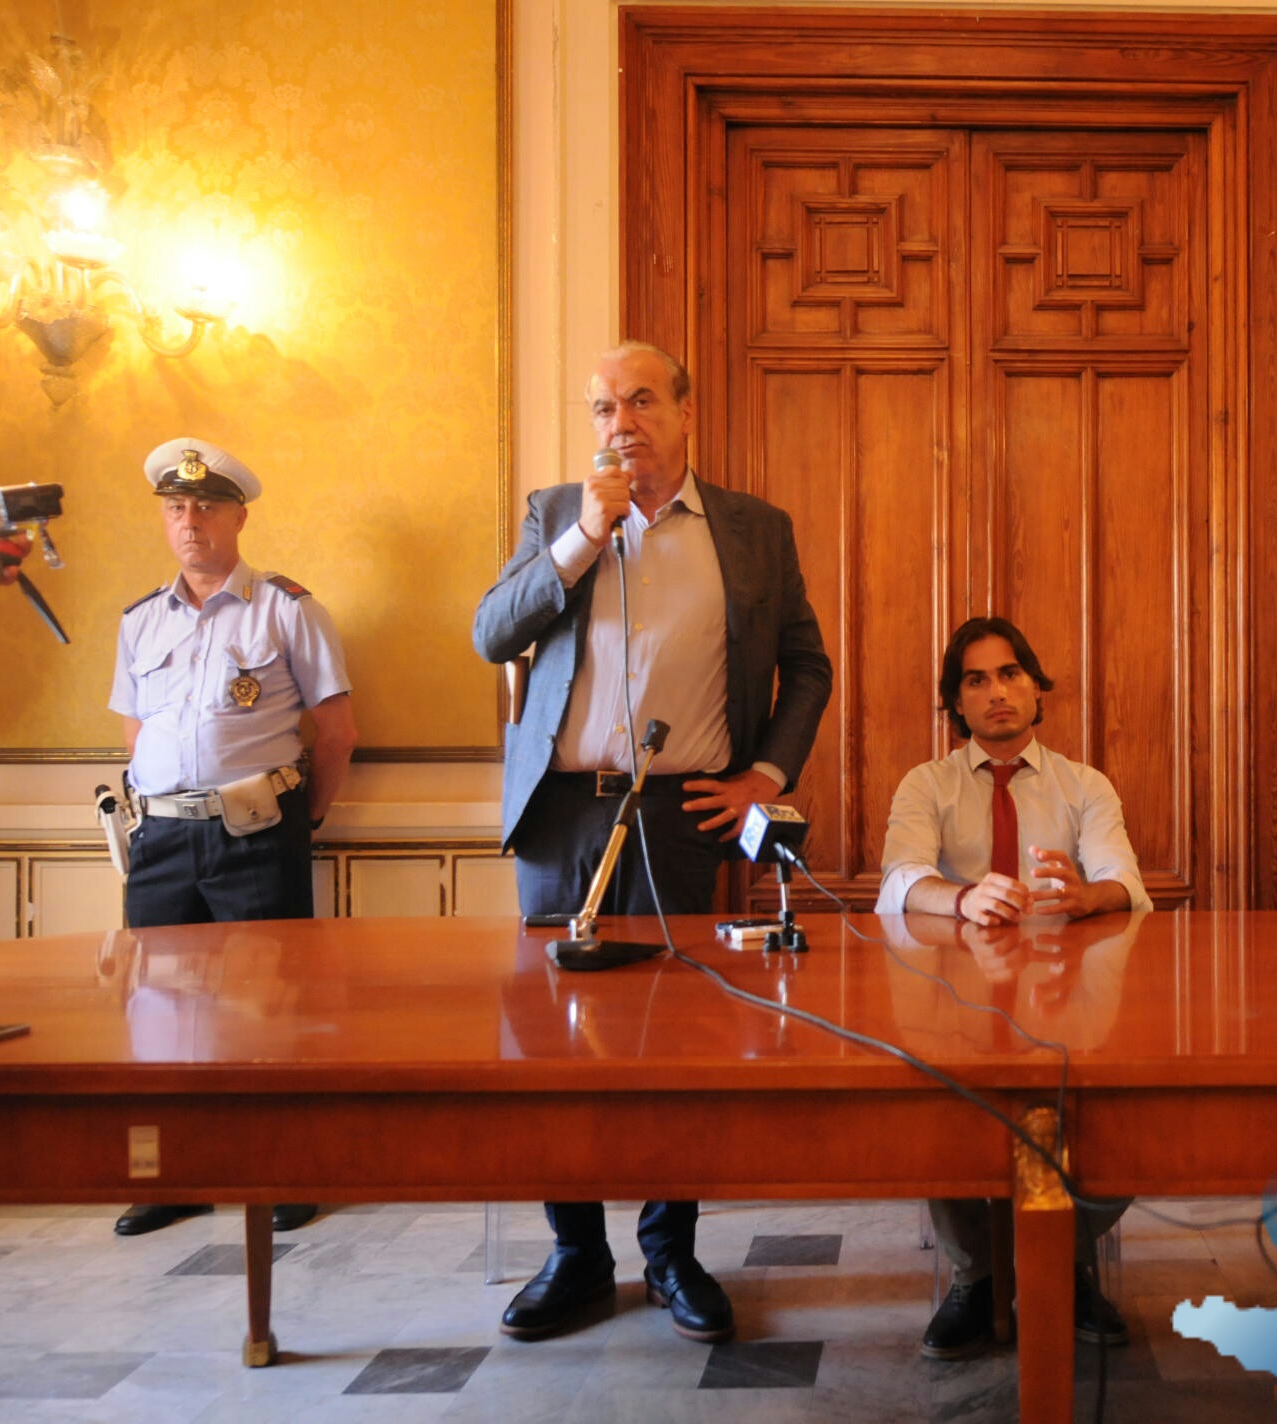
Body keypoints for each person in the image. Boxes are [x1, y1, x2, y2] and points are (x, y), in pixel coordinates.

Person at [472, 341, 832, 1344]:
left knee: (682, 1041)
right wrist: (583, 539)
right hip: (564, 812)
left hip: (683, 815)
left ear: (684, 412)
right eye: (602, 407)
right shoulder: (555, 512)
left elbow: (806, 665)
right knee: (555, 1046)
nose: (619, 422)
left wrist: (766, 775)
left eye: (639, 401)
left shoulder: (754, 530)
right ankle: (576, 1253)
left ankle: (671, 1250)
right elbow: (491, 634)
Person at [876, 615, 1150, 1359]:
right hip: (954, 1001)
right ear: (956, 703)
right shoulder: (926, 784)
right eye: (976, 680)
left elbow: (1125, 883)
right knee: (940, 1108)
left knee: (1125, 1112)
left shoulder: (1084, 785)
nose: (996, 691)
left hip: (1067, 1002)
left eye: (1010, 674)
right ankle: (978, 1276)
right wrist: (963, 897)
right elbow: (899, 880)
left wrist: (1086, 895)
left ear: (1035, 690)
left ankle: (1067, 1260)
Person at [110, 439, 357, 1238]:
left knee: (269, 1010)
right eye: (177, 508)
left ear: (239, 516)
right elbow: (134, 732)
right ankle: (178, 1176)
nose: (191, 521)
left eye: (208, 506)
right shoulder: (140, 621)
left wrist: (302, 821)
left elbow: (337, 733)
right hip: (161, 839)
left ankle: (284, 1171)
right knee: (159, 1010)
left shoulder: (286, 608)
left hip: (255, 830)